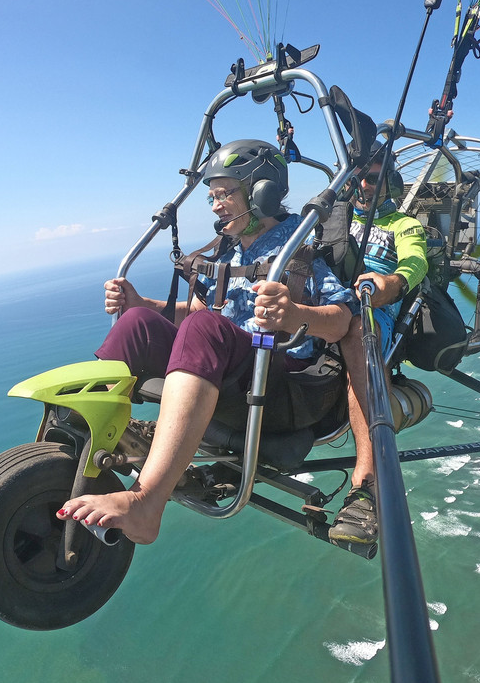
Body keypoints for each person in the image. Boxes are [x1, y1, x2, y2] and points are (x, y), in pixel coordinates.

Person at [58, 139, 356, 544]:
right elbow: (197, 314)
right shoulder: (226, 252)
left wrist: (298, 315)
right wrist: (138, 302)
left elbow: (343, 321)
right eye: (212, 196)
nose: (216, 205)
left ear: (261, 193)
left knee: (204, 331)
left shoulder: (299, 248)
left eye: (225, 194)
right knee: (138, 323)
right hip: (235, 375)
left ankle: (148, 503)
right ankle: (79, 445)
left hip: (283, 389)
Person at [328, 143, 428, 545]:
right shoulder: (331, 219)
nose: (364, 185)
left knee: (356, 331)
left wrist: (389, 283)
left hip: (372, 312)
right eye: (357, 176)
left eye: (372, 177)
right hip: (326, 304)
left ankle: (367, 480)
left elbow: (414, 262)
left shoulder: (403, 225)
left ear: (389, 181)